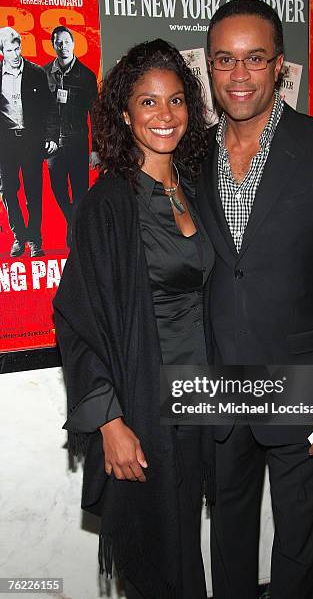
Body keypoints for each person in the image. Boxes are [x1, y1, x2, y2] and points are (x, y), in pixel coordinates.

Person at [196, 0, 313, 599]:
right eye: (225, 60)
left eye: (254, 59)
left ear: (280, 67)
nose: (239, 75)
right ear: (208, 67)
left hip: (305, 384)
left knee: (303, 547)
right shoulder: (190, 157)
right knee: (228, 542)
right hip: (218, 388)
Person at [53, 40, 214, 599]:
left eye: (175, 101)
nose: (164, 115)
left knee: (186, 551)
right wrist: (109, 421)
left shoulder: (197, 190)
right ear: (125, 114)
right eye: (148, 103)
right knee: (156, 562)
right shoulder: (109, 205)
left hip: (204, 403)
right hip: (145, 407)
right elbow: (78, 320)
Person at [0, 27, 58, 257]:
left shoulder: (36, 72)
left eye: (18, 48)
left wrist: (51, 137)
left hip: (31, 142)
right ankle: (19, 236)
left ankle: (34, 240)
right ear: (2, 52)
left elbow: (51, 107)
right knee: (8, 191)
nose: (15, 55)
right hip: (5, 145)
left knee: (33, 192)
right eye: (10, 50)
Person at [44, 26, 99, 246]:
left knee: (79, 193)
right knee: (57, 188)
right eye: (58, 42)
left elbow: (95, 115)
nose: (63, 46)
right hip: (53, 145)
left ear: (74, 44)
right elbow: (40, 111)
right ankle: (72, 222)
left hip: (78, 144)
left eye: (67, 42)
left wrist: (95, 148)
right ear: (53, 45)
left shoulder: (86, 75)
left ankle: (73, 233)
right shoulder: (44, 72)